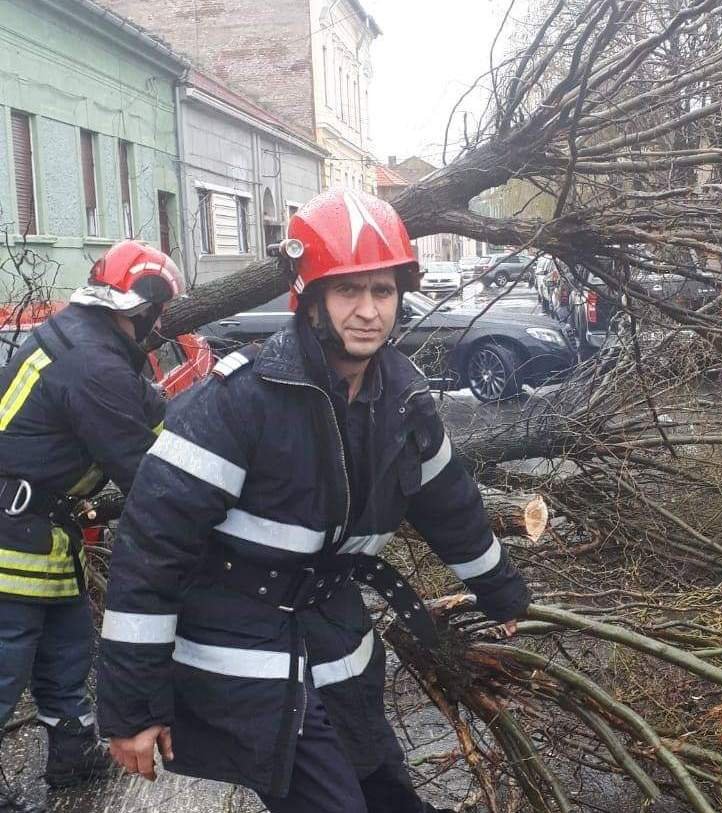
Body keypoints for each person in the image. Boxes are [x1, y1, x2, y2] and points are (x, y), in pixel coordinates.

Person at [97, 190, 531, 813]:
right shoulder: (241, 401)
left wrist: (501, 592)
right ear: (312, 299)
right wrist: (133, 708)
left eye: (382, 292)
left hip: (332, 632)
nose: (367, 312)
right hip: (239, 643)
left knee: (387, 794)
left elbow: (449, 503)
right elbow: (150, 546)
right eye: (348, 291)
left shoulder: (403, 401)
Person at [0, 241, 186, 812]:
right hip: (14, 537)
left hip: (44, 532)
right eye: (159, 316)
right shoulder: (93, 363)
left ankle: (72, 753)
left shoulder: (85, 338)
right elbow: (146, 470)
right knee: (5, 663)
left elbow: (152, 414)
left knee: (66, 649)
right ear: (146, 307)